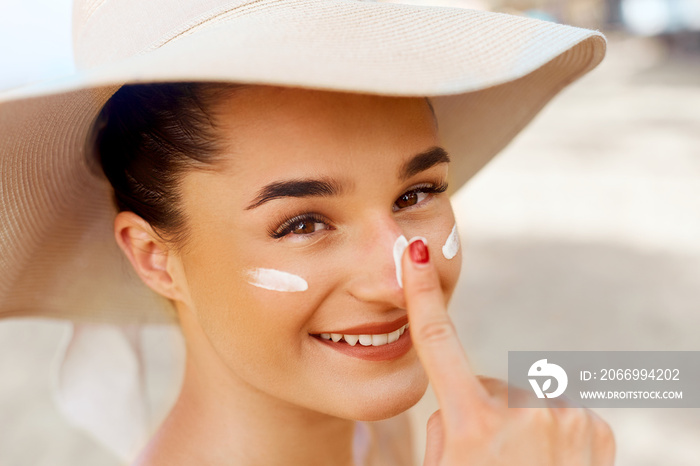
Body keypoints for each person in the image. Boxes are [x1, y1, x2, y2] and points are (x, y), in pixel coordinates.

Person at [0, 0, 612, 464]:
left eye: (416, 193)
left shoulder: (392, 433)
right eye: (303, 223)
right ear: (155, 257)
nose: (396, 276)